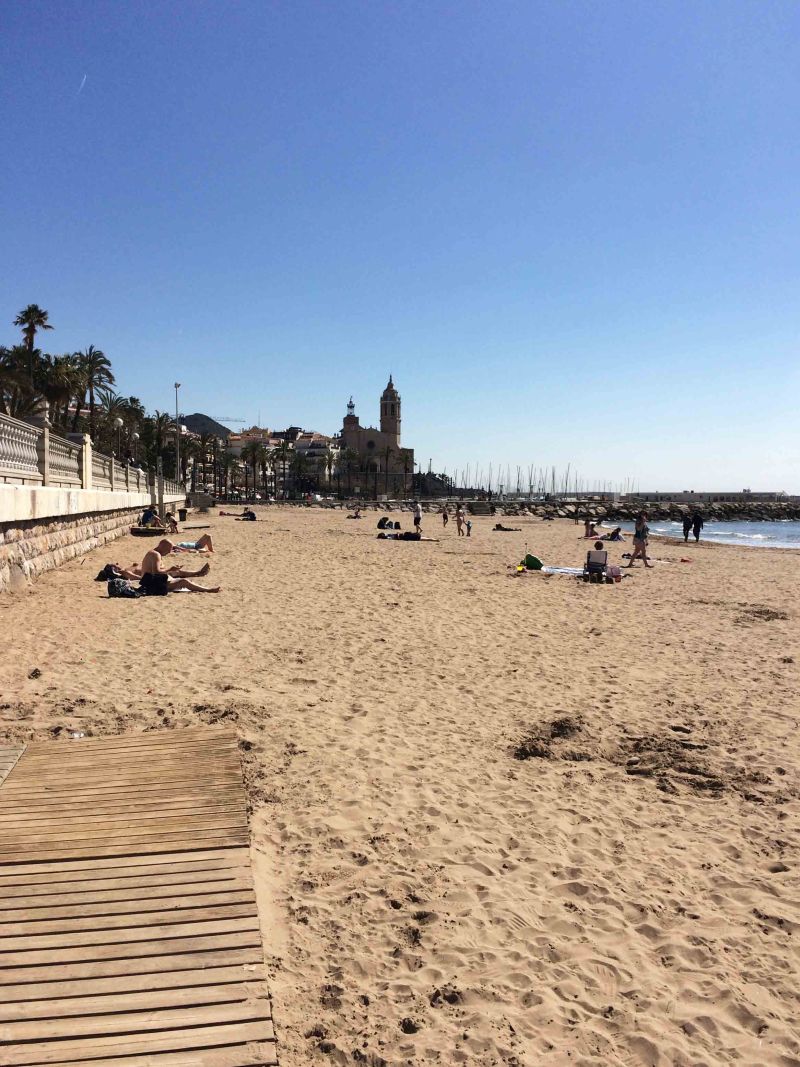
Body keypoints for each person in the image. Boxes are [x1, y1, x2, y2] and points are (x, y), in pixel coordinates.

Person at [139, 541, 220, 594]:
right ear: (162, 547)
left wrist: (171, 570)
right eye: (167, 550)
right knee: (183, 581)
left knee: (176, 572)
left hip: (150, 580)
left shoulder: (153, 552)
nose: (168, 553)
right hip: (151, 584)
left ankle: (198, 572)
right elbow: (156, 572)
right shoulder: (156, 555)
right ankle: (208, 590)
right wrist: (170, 569)